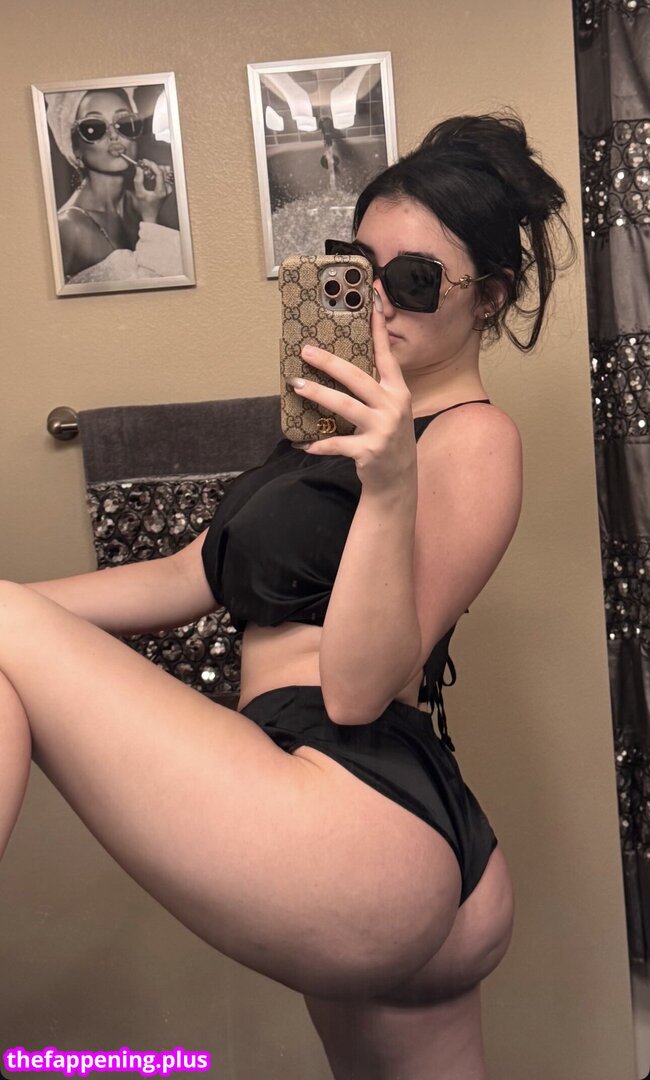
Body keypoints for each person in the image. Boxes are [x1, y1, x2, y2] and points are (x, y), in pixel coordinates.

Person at [3, 112, 572, 1078]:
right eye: (359, 269)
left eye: (415, 279)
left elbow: (356, 690)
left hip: (356, 800)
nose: (379, 300)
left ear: (489, 297)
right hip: (341, 817)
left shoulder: (473, 440)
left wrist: (391, 481)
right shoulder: (323, 427)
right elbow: (189, 575)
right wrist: (15, 603)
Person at [46, 87, 180, 284]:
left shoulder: (139, 203)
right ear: (76, 150)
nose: (114, 135)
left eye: (124, 124)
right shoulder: (68, 227)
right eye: (94, 128)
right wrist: (151, 220)